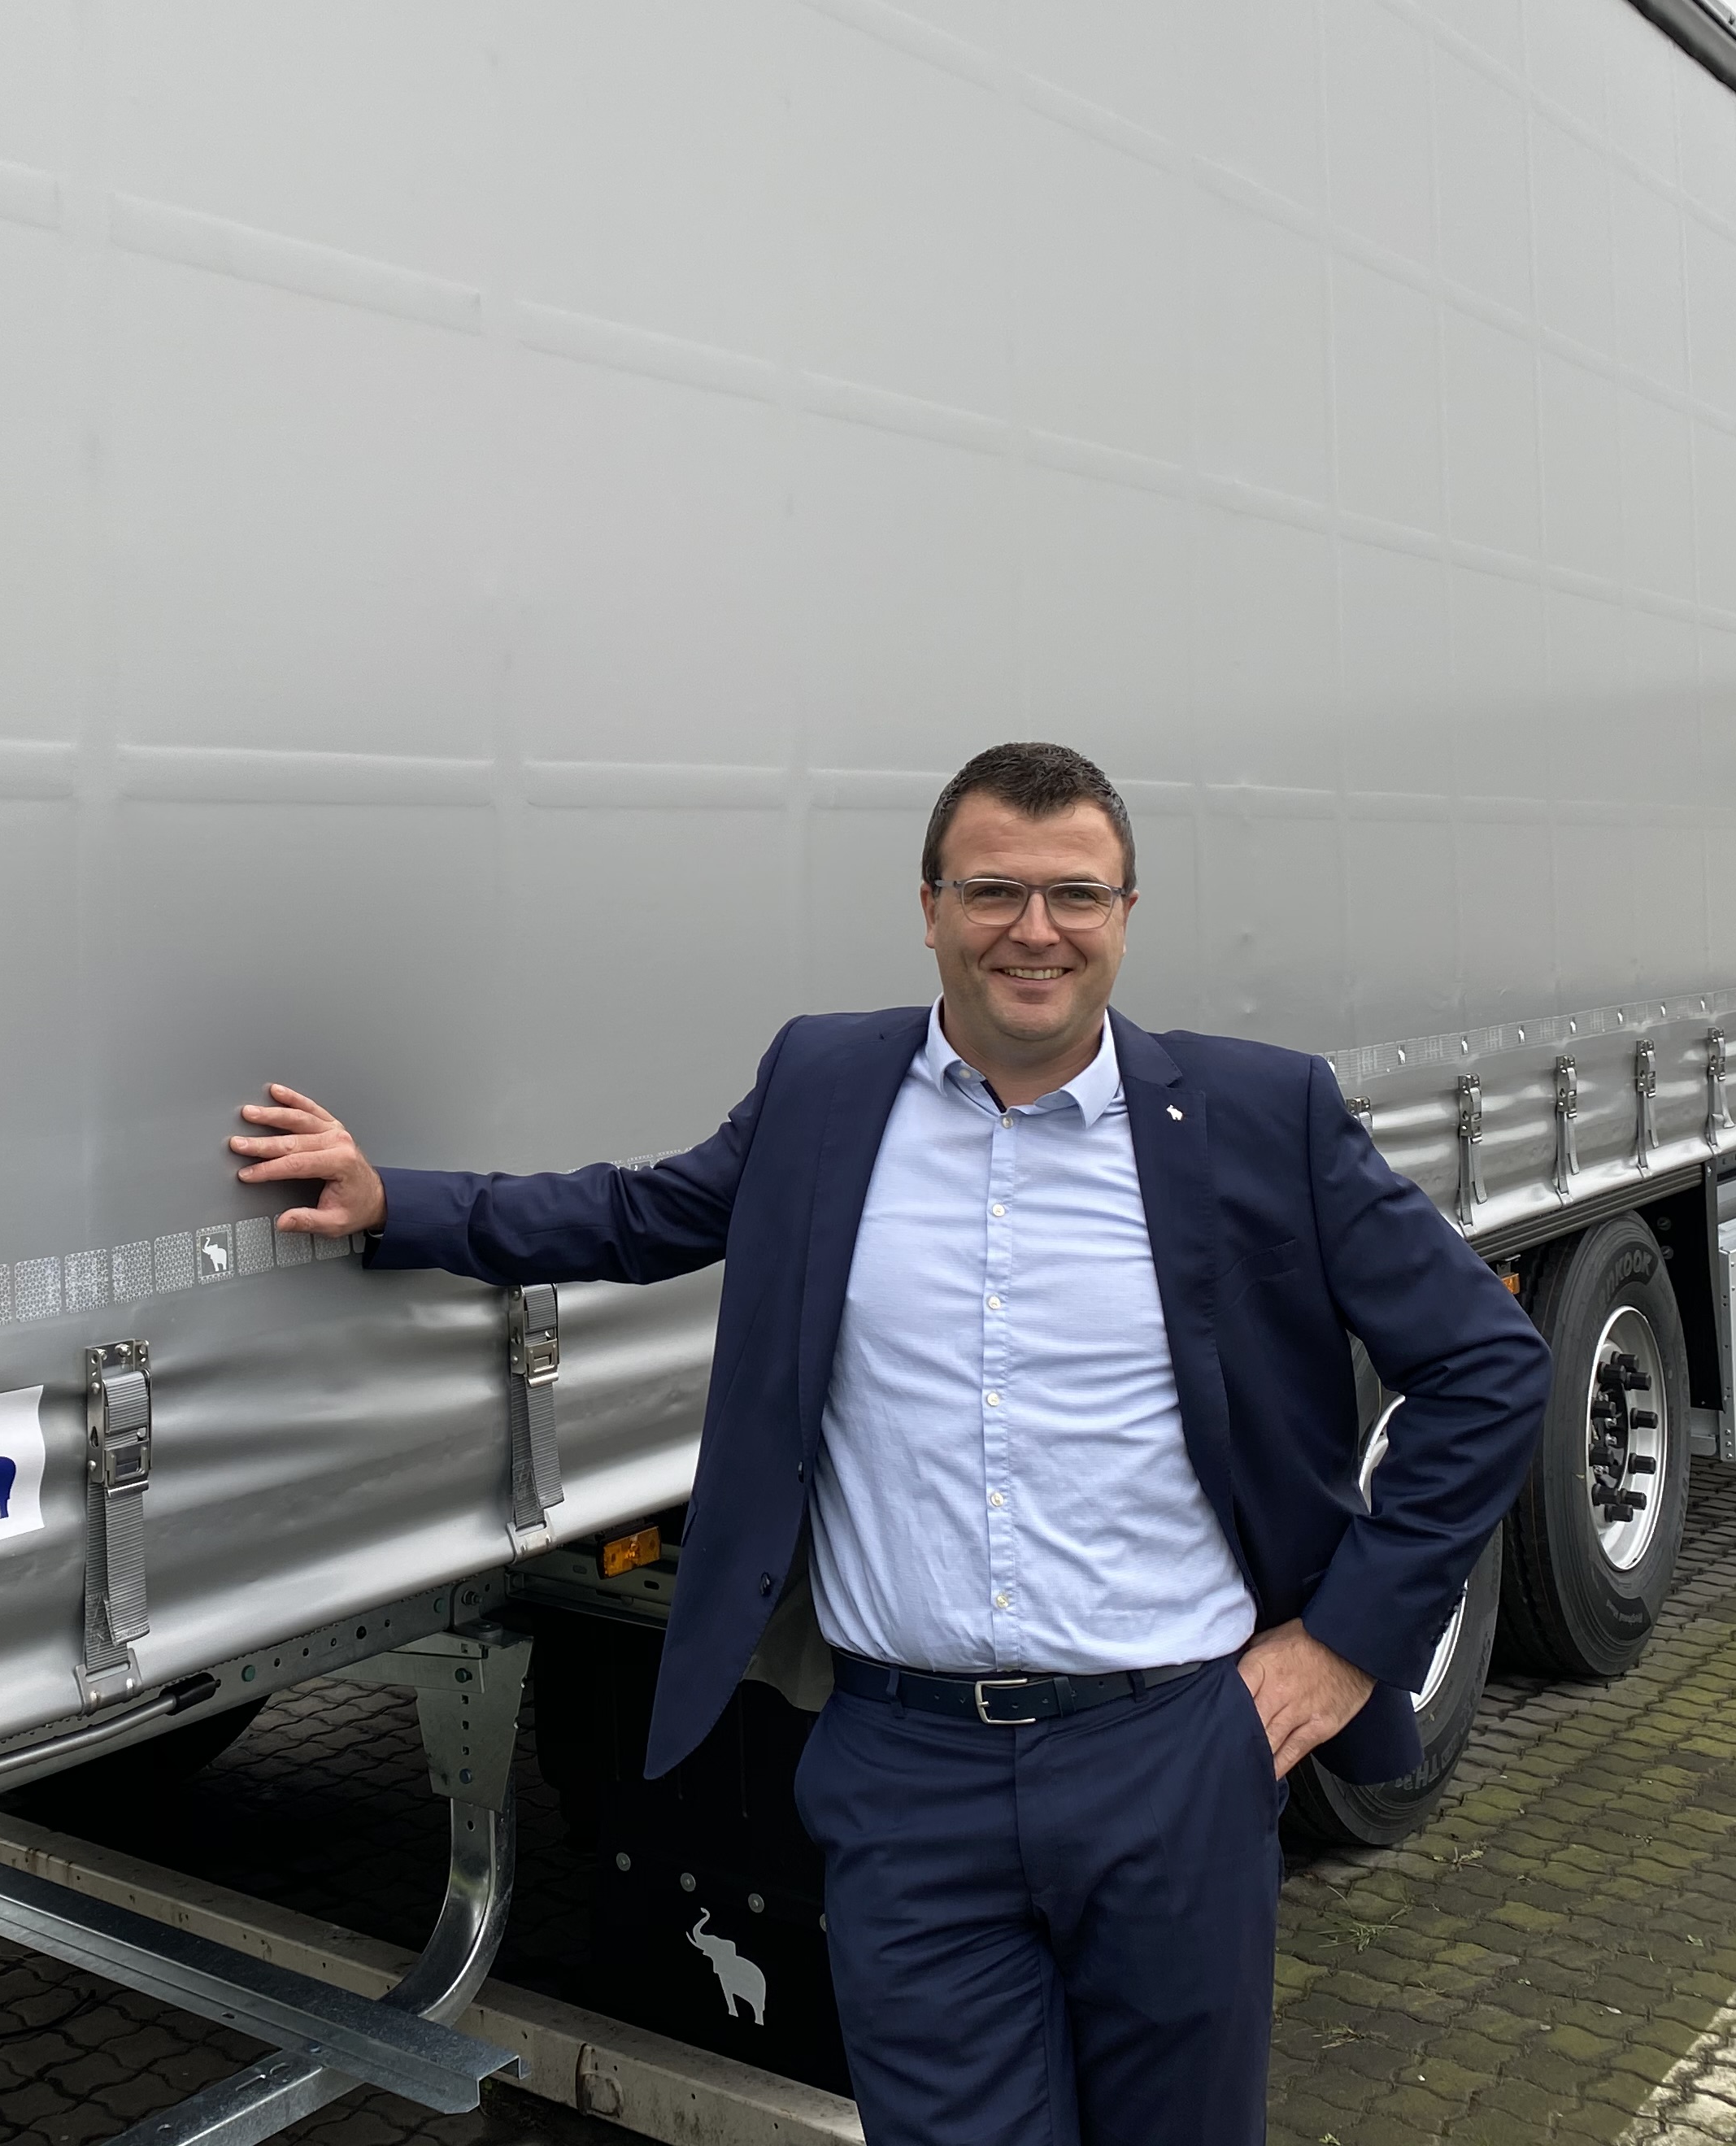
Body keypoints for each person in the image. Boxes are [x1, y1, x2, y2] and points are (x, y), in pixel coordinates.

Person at [226, 741, 1547, 2146]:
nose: (1034, 930)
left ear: (1125, 914)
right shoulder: (827, 1085)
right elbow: (635, 1216)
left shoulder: (1258, 1115)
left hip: (1169, 1755)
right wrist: (395, 1203)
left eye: (1075, 894)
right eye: (991, 891)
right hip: (907, 1778)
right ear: (929, 909)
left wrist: (1342, 1643)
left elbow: (1485, 1365)